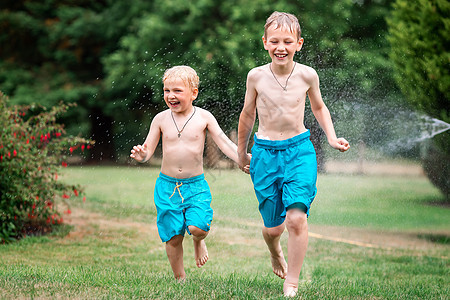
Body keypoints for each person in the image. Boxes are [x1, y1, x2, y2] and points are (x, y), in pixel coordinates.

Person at [237, 11, 350, 297]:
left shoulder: (308, 75)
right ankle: (275, 251)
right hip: (264, 153)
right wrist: (241, 152)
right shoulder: (256, 77)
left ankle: (292, 281)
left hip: (299, 150)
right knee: (273, 229)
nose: (281, 47)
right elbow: (247, 115)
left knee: (297, 217)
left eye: (288, 41)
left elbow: (319, 108)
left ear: (299, 43)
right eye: (274, 41)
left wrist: (332, 137)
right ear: (264, 43)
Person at [130, 65, 245, 281]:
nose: (171, 96)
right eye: (167, 91)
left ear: (193, 93)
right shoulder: (161, 119)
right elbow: (148, 151)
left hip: (195, 186)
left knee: (198, 227)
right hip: (167, 186)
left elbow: (224, 143)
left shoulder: (204, 117)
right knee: (173, 236)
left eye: (177, 91)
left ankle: (199, 240)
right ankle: (180, 278)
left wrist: (242, 159)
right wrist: (142, 156)